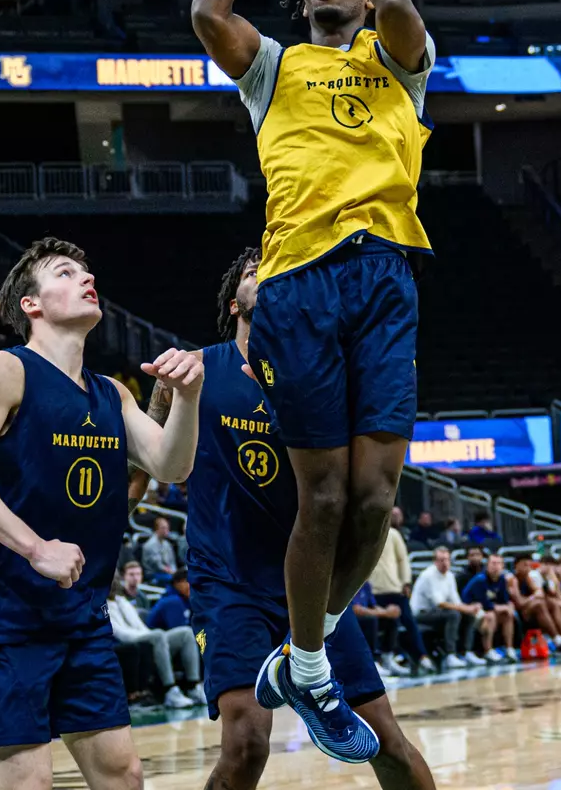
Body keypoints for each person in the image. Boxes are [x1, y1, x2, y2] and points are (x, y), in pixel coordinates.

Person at [192, 0, 435, 758]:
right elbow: (208, 16)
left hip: (383, 274)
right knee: (324, 499)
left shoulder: (401, 63)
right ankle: (308, 654)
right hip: (295, 281)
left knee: (377, 499)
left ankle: (307, 654)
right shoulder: (272, 67)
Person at [142, 247, 437, 785]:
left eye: (281, 270)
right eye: (258, 272)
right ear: (235, 303)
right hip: (230, 584)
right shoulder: (197, 369)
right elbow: (146, 469)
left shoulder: (323, 380)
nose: (271, 277)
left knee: (387, 742)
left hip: (314, 589)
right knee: (247, 741)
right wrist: (165, 397)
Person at [0, 235, 204, 790]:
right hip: (0, 618)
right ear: (30, 304)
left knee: (123, 775)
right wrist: (36, 548)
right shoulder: (3, 370)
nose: (85, 279)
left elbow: (171, 467)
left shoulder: (112, 395)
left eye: (87, 272)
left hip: (80, 616)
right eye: (64, 273)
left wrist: (189, 398)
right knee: (29, 784)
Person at [107, 581, 202, 708]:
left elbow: (140, 626)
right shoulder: (101, 604)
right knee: (157, 635)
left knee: (186, 633)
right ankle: (170, 690)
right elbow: (120, 634)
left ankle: (193, 686)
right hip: (127, 642)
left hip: (145, 636)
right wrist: (150, 636)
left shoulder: (122, 601)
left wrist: (150, 635)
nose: (115, 585)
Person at [370, 508, 436, 675]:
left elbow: (403, 560)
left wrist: (406, 581)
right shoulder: (364, 534)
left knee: (409, 622)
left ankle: (422, 657)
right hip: (371, 590)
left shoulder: (393, 534)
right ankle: (379, 660)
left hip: (394, 588)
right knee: (376, 624)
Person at [410, 547, 488, 669]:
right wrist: (465, 608)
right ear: (435, 562)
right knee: (453, 615)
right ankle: (450, 655)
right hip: (420, 614)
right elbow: (439, 603)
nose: (445, 563)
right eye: (441, 560)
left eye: (447, 559)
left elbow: (455, 601)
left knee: (468, 615)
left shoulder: (450, 576)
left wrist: (470, 608)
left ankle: (466, 652)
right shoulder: (428, 575)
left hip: (438, 612)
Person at [507, 554, 561, 655]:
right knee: (539, 604)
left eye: (529, 565)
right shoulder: (512, 579)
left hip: (531, 608)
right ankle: (557, 640)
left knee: (552, 603)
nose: (528, 568)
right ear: (516, 566)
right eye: (524, 565)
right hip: (518, 611)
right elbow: (520, 603)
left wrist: (537, 594)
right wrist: (533, 597)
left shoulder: (527, 576)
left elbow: (540, 593)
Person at [460, 553, 518, 662]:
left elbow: (504, 600)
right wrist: (503, 607)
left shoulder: (502, 580)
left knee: (508, 615)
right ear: (487, 565)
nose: (495, 566)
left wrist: (509, 605)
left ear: (503, 566)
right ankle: (488, 651)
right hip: (470, 611)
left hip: (488, 610)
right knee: (490, 616)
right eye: (493, 563)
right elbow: (485, 604)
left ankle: (509, 649)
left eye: (498, 564)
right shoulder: (480, 580)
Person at [351, 582, 410, 677]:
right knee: (371, 620)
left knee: (391, 620)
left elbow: (373, 606)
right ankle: (372, 661)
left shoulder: (366, 584)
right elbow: (356, 609)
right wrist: (385, 613)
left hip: (364, 618)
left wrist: (388, 611)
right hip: (349, 620)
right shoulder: (350, 583)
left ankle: (388, 658)